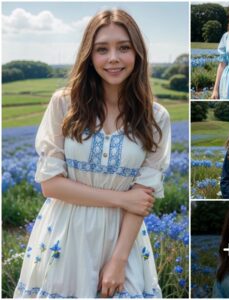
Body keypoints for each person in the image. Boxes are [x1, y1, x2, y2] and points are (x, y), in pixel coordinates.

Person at [14, 9, 171, 298]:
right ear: (90, 55)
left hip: (123, 238)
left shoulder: (156, 117)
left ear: (137, 53)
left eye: (123, 47)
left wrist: (118, 261)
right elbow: (50, 185)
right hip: (66, 234)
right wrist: (122, 198)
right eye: (102, 49)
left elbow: (143, 197)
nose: (113, 58)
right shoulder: (64, 103)